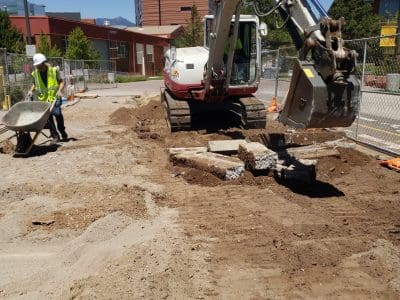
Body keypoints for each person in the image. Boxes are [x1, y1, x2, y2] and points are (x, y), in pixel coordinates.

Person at [29, 53, 68, 142]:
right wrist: (31, 91)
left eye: (39, 65)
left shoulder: (54, 70)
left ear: (43, 63)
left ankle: (62, 131)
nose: (38, 67)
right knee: (48, 118)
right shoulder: (35, 73)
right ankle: (55, 136)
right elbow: (35, 84)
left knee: (57, 114)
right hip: (43, 99)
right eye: (37, 65)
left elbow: (61, 82)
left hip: (55, 97)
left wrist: (59, 91)